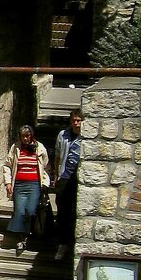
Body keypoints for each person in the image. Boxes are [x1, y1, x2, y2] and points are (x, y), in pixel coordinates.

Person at [3, 125, 49, 254]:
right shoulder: (15, 148)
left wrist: (45, 183)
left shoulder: (39, 148)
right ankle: (21, 239)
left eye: (27, 136)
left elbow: (45, 167)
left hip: (34, 184)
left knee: (30, 210)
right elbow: (7, 165)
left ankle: (28, 232)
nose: (25, 139)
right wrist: (8, 183)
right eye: (23, 136)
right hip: (19, 184)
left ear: (31, 136)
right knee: (19, 211)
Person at [53, 109, 84, 260]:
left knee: (76, 212)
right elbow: (58, 156)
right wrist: (56, 175)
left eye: (79, 120)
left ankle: (73, 242)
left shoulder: (86, 137)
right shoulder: (63, 135)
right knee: (62, 210)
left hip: (79, 179)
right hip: (64, 176)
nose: (76, 123)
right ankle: (62, 243)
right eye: (74, 120)